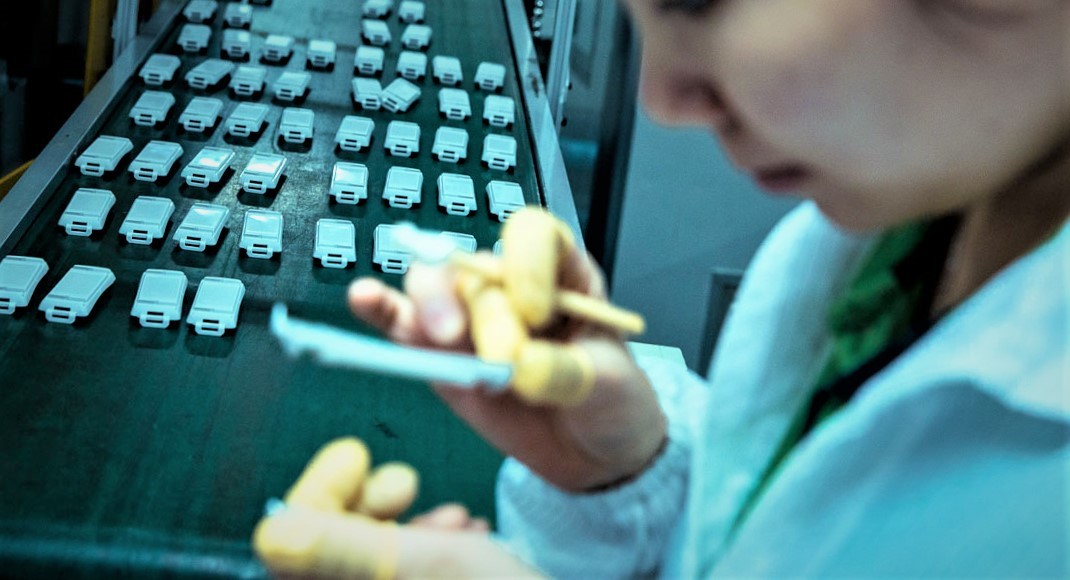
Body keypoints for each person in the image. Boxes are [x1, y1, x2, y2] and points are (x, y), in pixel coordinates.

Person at [254, 0, 1070, 576]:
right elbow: (777, 539)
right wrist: (629, 477)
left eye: (696, 1)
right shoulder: (883, 237)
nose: (664, 101)